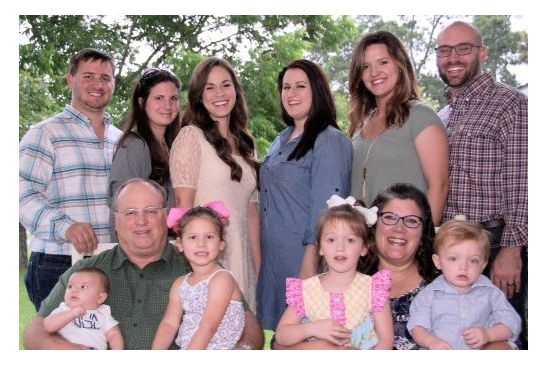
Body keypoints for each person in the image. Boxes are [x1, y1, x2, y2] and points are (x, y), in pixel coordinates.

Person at [23, 178, 264, 350]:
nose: (141, 221)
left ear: (166, 217)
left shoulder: (200, 268)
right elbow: (35, 332)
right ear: (115, 221)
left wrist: (240, 352)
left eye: (150, 210)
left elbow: (248, 323)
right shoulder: (86, 272)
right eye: (130, 213)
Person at [435, 21, 528, 348]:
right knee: (454, 336)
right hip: (449, 246)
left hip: (494, 244)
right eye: (444, 50)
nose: (452, 58)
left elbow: (523, 179)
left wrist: (512, 249)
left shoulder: (511, 103)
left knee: (500, 336)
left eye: (463, 48)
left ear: (482, 53)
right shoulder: (443, 115)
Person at [19, 48, 122, 311]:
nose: (98, 84)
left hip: (112, 262)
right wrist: (66, 226)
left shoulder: (121, 139)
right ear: (70, 80)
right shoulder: (45, 133)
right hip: (59, 262)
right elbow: (21, 194)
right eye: (88, 76)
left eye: (105, 78)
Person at [257, 59, 353, 331]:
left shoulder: (329, 140)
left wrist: (308, 269)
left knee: (304, 337)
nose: (291, 93)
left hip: (303, 260)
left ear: (318, 91)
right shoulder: (281, 138)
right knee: (273, 337)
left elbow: (327, 212)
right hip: (273, 261)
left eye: (301, 86)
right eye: (286, 87)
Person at [169, 57, 261, 312]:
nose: (219, 94)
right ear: (199, 95)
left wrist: (258, 267)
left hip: (244, 263)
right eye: (209, 87)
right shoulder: (191, 137)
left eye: (226, 85)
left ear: (236, 90)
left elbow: (251, 213)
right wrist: (198, 267)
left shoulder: (247, 143)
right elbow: (183, 209)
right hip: (208, 261)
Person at [347, 31, 449, 225]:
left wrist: (423, 246)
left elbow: (439, 186)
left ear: (400, 64)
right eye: (366, 66)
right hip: (365, 245)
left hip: (404, 242)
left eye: (383, 62)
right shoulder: (362, 123)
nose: (374, 72)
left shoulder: (420, 115)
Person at [276, 195, 393, 350]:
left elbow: (386, 341)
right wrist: (312, 328)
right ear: (320, 247)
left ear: (364, 248)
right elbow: (282, 335)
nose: (340, 247)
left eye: (350, 240)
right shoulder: (305, 290)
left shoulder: (374, 288)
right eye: (331, 240)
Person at [407, 220, 521, 350]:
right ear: (438, 262)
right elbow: (417, 327)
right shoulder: (428, 295)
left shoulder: (491, 293)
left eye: (473, 260)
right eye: (453, 259)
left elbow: (512, 323)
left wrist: (488, 335)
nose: (463, 267)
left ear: (483, 265)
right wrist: (431, 342)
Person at [152, 203, 245, 349]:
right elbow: (169, 323)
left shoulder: (222, 279)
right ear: (180, 244)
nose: (201, 244)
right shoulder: (180, 284)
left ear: (221, 244)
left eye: (209, 237)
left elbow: (208, 328)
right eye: (193, 237)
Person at [108, 67, 182, 242]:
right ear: (142, 103)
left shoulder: (173, 146)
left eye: (174, 98)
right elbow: (121, 211)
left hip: (168, 251)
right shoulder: (134, 146)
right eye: (159, 98)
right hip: (141, 254)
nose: (168, 106)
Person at [44, 267, 124, 350]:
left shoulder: (103, 313)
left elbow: (114, 334)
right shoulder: (64, 309)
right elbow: (48, 326)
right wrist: (71, 313)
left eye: (83, 287)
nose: (74, 290)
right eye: (70, 286)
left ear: (100, 298)